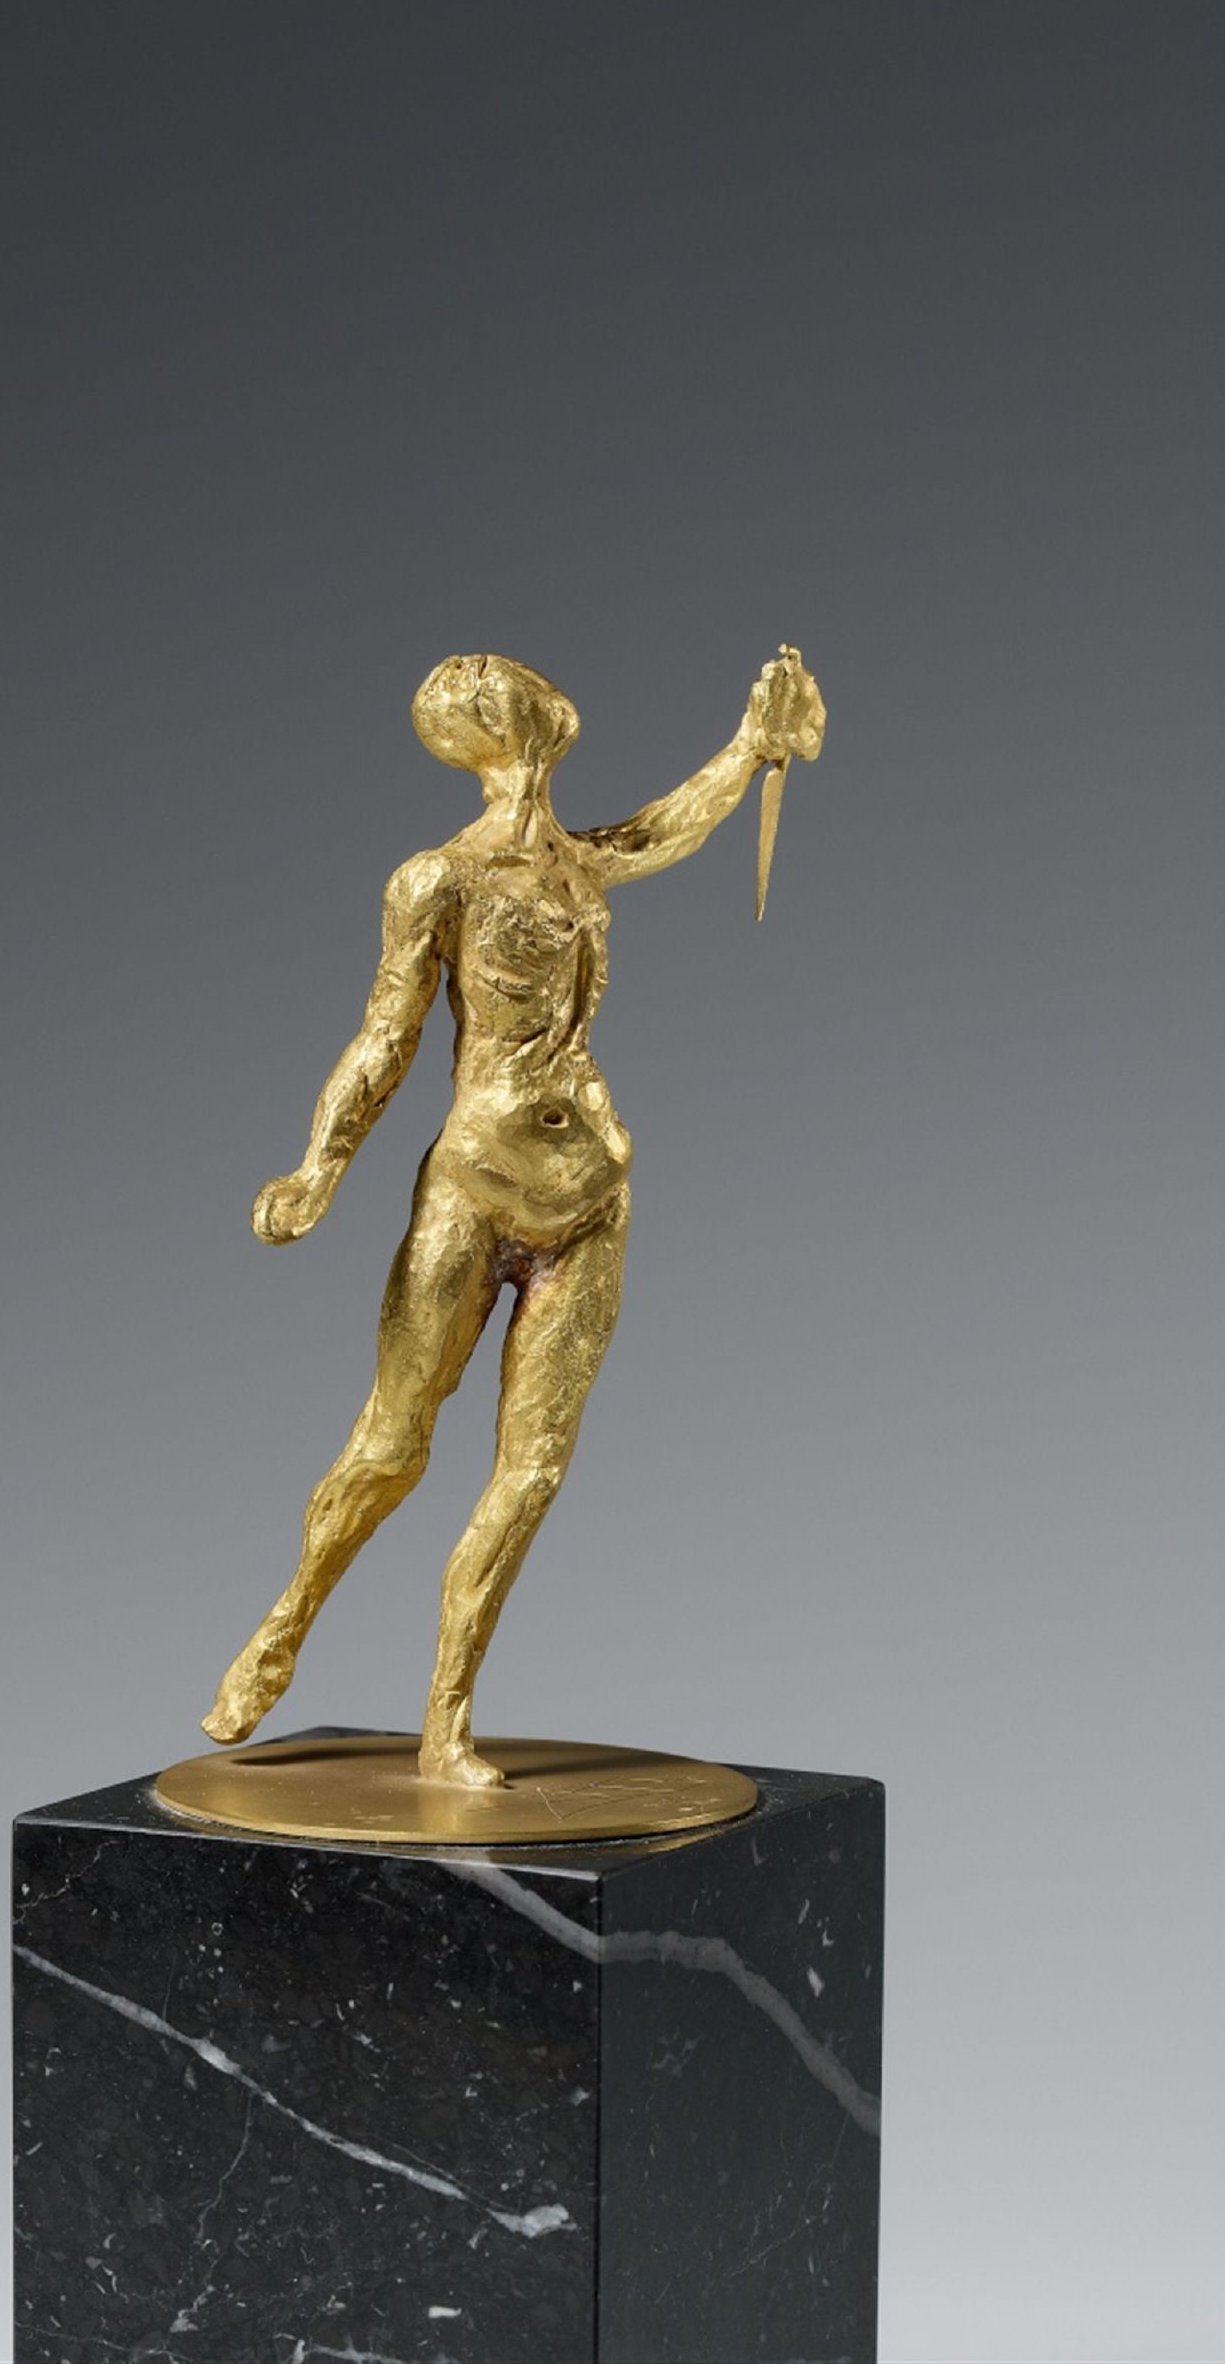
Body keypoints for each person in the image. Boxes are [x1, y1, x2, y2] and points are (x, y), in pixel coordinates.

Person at [202, 647, 826, 1786]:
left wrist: (753, 742)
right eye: (489, 678)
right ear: (479, 729)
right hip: (476, 1186)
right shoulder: (437, 880)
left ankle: (446, 1723)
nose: (517, 678)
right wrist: (318, 1170)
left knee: (531, 1473)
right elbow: (385, 1036)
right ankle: (284, 1624)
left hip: (590, 1197)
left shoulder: (580, 861)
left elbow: (670, 827)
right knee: (393, 1446)